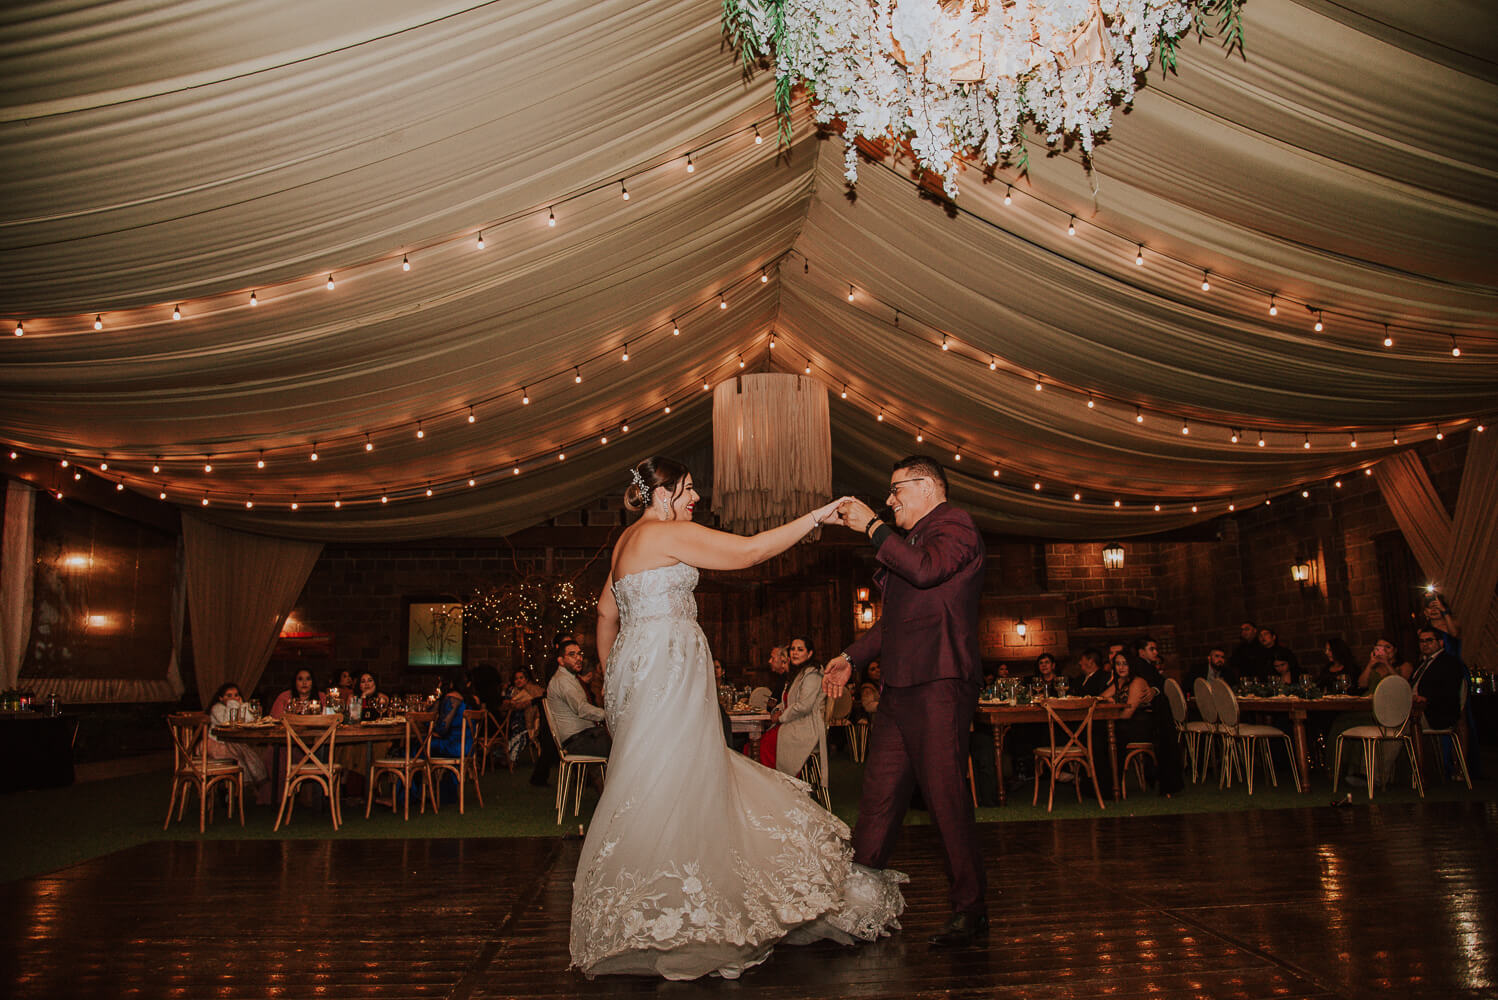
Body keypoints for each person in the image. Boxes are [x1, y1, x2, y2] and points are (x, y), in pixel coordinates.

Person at [569, 457, 903, 980]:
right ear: (663, 496)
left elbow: (606, 615)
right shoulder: (663, 534)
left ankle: (659, 909)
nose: (695, 497)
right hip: (670, 670)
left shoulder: (625, 542)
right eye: (688, 489)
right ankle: (698, 911)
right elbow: (748, 551)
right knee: (689, 776)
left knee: (656, 781)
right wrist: (816, 517)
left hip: (640, 672)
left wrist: (614, 683)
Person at [822, 454, 987, 948]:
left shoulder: (955, 524)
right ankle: (858, 903)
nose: (890, 500)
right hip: (899, 685)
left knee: (944, 796)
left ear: (928, 487)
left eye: (896, 490)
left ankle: (971, 909)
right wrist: (850, 657)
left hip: (939, 681)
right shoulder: (910, 541)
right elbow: (894, 622)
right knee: (879, 794)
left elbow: (926, 570)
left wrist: (872, 527)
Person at [757, 635, 825, 776]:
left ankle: (780, 783)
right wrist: (777, 710)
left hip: (806, 727)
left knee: (763, 745)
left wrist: (781, 717)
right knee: (757, 743)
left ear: (809, 653)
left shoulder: (813, 674)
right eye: (793, 649)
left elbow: (804, 706)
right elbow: (786, 701)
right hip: (793, 723)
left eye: (800, 649)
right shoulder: (798, 673)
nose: (794, 653)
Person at [547, 639, 610, 759]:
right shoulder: (562, 681)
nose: (579, 658)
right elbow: (582, 709)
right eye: (572, 655)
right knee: (621, 744)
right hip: (576, 741)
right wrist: (609, 715)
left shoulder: (569, 677)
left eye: (579, 654)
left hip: (584, 736)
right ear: (561, 660)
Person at [206, 682, 269, 787]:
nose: (233, 698)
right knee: (240, 756)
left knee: (246, 754)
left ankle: (251, 783)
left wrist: (244, 706)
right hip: (217, 744)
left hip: (232, 742)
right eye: (229, 696)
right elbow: (228, 722)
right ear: (221, 698)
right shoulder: (217, 708)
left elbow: (249, 720)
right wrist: (233, 705)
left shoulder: (238, 706)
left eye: (236, 695)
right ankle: (240, 785)